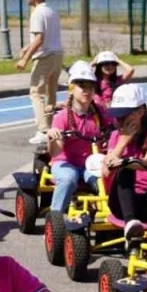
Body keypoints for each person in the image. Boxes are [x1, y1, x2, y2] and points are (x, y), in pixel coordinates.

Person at [45, 60, 107, 216]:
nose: (87, 91)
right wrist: (52, 138)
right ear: (71, 89)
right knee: (68, 179)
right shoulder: (62, 117)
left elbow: (115, 130)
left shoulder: (100, 113)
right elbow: (55, 152)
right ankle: (55, 217)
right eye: (82, 86)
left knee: (104, 180)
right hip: (65, 163)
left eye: (90, 87)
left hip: (91, 163)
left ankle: (111, 215)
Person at [104, 82, 147, 239]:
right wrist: (123, 141)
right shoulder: (115, 136)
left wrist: (125, 161)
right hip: (120, 203)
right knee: (125, 170)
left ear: (140, 112)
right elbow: (106, 171)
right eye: (117, 115)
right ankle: (131, 224)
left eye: (124, 115)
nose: (119, 120)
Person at [14, 0, 65, 146]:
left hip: (45, 57)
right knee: (51, 93)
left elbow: (39, 38)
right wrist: (27, 47)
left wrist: (24, 59)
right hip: (57, 55)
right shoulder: (51, 11)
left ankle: (43, 130)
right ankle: (51, 127)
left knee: (36, 93)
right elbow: (45, 37)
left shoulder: (37, 13)